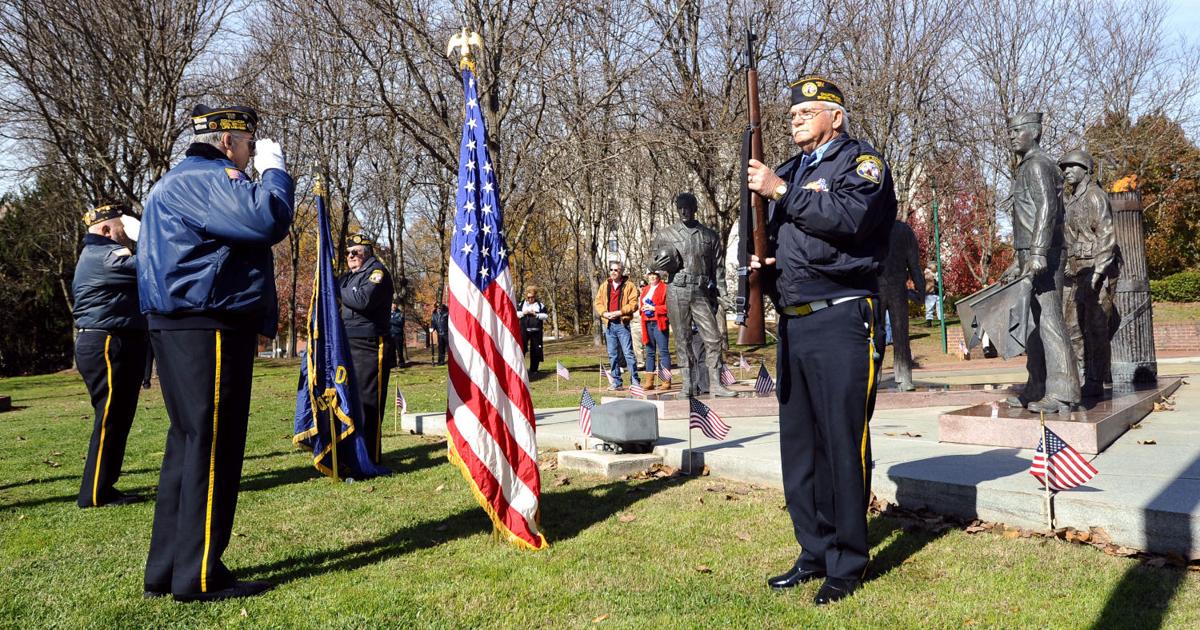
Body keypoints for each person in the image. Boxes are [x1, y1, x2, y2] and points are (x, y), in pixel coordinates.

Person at [747, 76, 894, 605]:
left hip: (841, 315)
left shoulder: (861, 164)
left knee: (841, 440)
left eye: (809, 110)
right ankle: (813, 551)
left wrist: (780, 193)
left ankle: (847, 562)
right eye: (792, 113)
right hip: (794, 321)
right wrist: (764, 265)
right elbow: (787, 239)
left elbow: (851, 220)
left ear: (837, 116)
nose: (796, 118)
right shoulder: (788, 170)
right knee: (802, 450)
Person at [138, 104, 293, 602]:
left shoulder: (170, 182)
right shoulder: (210, 178)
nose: (251, 152)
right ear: (227, 141)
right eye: (249, 143)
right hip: (210, 323)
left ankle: (166, 569)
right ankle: (199, 574)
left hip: (178, 322)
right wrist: (275, 173)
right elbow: (266, 218)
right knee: (214, 448)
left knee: (186, 447)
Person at [72, 203, 148, 508]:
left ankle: (104, 486)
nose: (126, 234)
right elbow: (151, 265)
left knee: (117, 418)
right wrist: (146, 235)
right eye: (122, 228)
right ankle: (94, 493)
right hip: (106, 343)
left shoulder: (101, 254)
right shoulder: (104, 256)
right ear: (106, 230)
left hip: (113, 340)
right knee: (110, 419)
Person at [1004, 113, 1080, 413]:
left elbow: (1047, 209)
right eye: (1010, 130)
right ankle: (1037, 385)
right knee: (1034, 324)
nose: (1012, 135)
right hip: (1031, 252)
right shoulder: (1026, 166)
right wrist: (1018, 258)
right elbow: (1028, 216)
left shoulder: (1038, 165)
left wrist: (1036, 253)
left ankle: (1063, 392)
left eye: (1018, 130)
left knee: (1049, 320)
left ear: (1034, 133)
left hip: (1044, 254)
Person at [651, 192, 734, 398]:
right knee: (683, 339)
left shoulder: (709, 236)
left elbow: (719, 270)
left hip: (700, 291)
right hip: (677, 289)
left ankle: (716, 384)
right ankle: (687, 386)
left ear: (695, 207)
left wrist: (724, 294)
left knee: (713, 338)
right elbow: (651, 262)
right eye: (680, 207)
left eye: (687, 206)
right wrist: (657, 264)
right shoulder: (665, 234)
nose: (683, 211)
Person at [1059, 149, 1116, 398]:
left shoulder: (1096, 196)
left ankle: (1096, 379)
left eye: (1072, 166)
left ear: (1086, 169)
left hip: (1095, 270)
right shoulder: (1070, 201)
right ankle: (1082, 374)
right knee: (1072, 327)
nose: (1067, 171)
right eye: (1064, 167)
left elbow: (1106, 234)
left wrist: (1100, 271)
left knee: (1095, 328)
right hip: (1074, 272)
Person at [339, 234, 394, 465]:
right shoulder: (348, 277)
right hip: (348, 342)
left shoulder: (377, 272)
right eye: (348, 252)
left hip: (370, 345)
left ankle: (369, 456)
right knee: (350, 401)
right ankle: (352, 452)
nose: (351, 256)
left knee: (368, 403)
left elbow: (362, 300)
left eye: (356, 252)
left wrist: (336, 288)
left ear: (368, 252)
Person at [879, 220, 924, 390]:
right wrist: (920, 290)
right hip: (891, 288)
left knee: (884, 334)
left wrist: (920, 289)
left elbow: (914, 264)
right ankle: (903, 377)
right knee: (899, 334)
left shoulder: (869, 226)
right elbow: (914, 265)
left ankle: (894, 376)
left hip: (885, 288)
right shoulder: (904, 229)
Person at [592, 261, 640, 390]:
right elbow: (598, 302)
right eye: (611, 270)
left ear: (621, 272)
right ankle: (616, 382)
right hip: (609, 325)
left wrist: (620, 312)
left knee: (628, 353)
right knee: (612, 354)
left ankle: (635, 381)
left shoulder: (629, 286)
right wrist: (604, 313)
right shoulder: (604, 286)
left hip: (622, 324)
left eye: (616, 270)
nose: (613, 272)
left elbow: (634, 304)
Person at [639, 269, 672, 390]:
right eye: (650, 275)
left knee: (663, 351)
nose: (652, 277)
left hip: (659, 322)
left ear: (659, 276)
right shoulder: (645, 289)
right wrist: (642, 308)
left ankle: (666, 380)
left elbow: (669, 307)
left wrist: (654, 308)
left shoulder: (665, 288)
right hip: (646, 322)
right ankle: (649, 381)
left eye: (655, 275)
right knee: (649, 352)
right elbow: (641, 304)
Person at [518, 286, 549, 373]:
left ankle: (534, 369)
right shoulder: (521, 304)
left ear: (535, 296)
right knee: (522, 348)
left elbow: (545, 316)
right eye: (529, 297)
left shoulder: (540, 305)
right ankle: (520, 369)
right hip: (524, 330)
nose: (530, 299)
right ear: (526, 297)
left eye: (532, 297)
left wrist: (536, 315)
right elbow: (516, 313)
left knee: (536, 350)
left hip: (536, 331)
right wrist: (524, 313)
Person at [389, 301, 406, 367]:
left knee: (399, 350)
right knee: (391, 350)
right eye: (392, 306)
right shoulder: (388, 313)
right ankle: (393, 363)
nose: (394, 307)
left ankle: (401, 363)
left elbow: (400, 322)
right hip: (390, 334)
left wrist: (390, 320)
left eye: (395, 305)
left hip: (398, 334)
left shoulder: (400, 313)